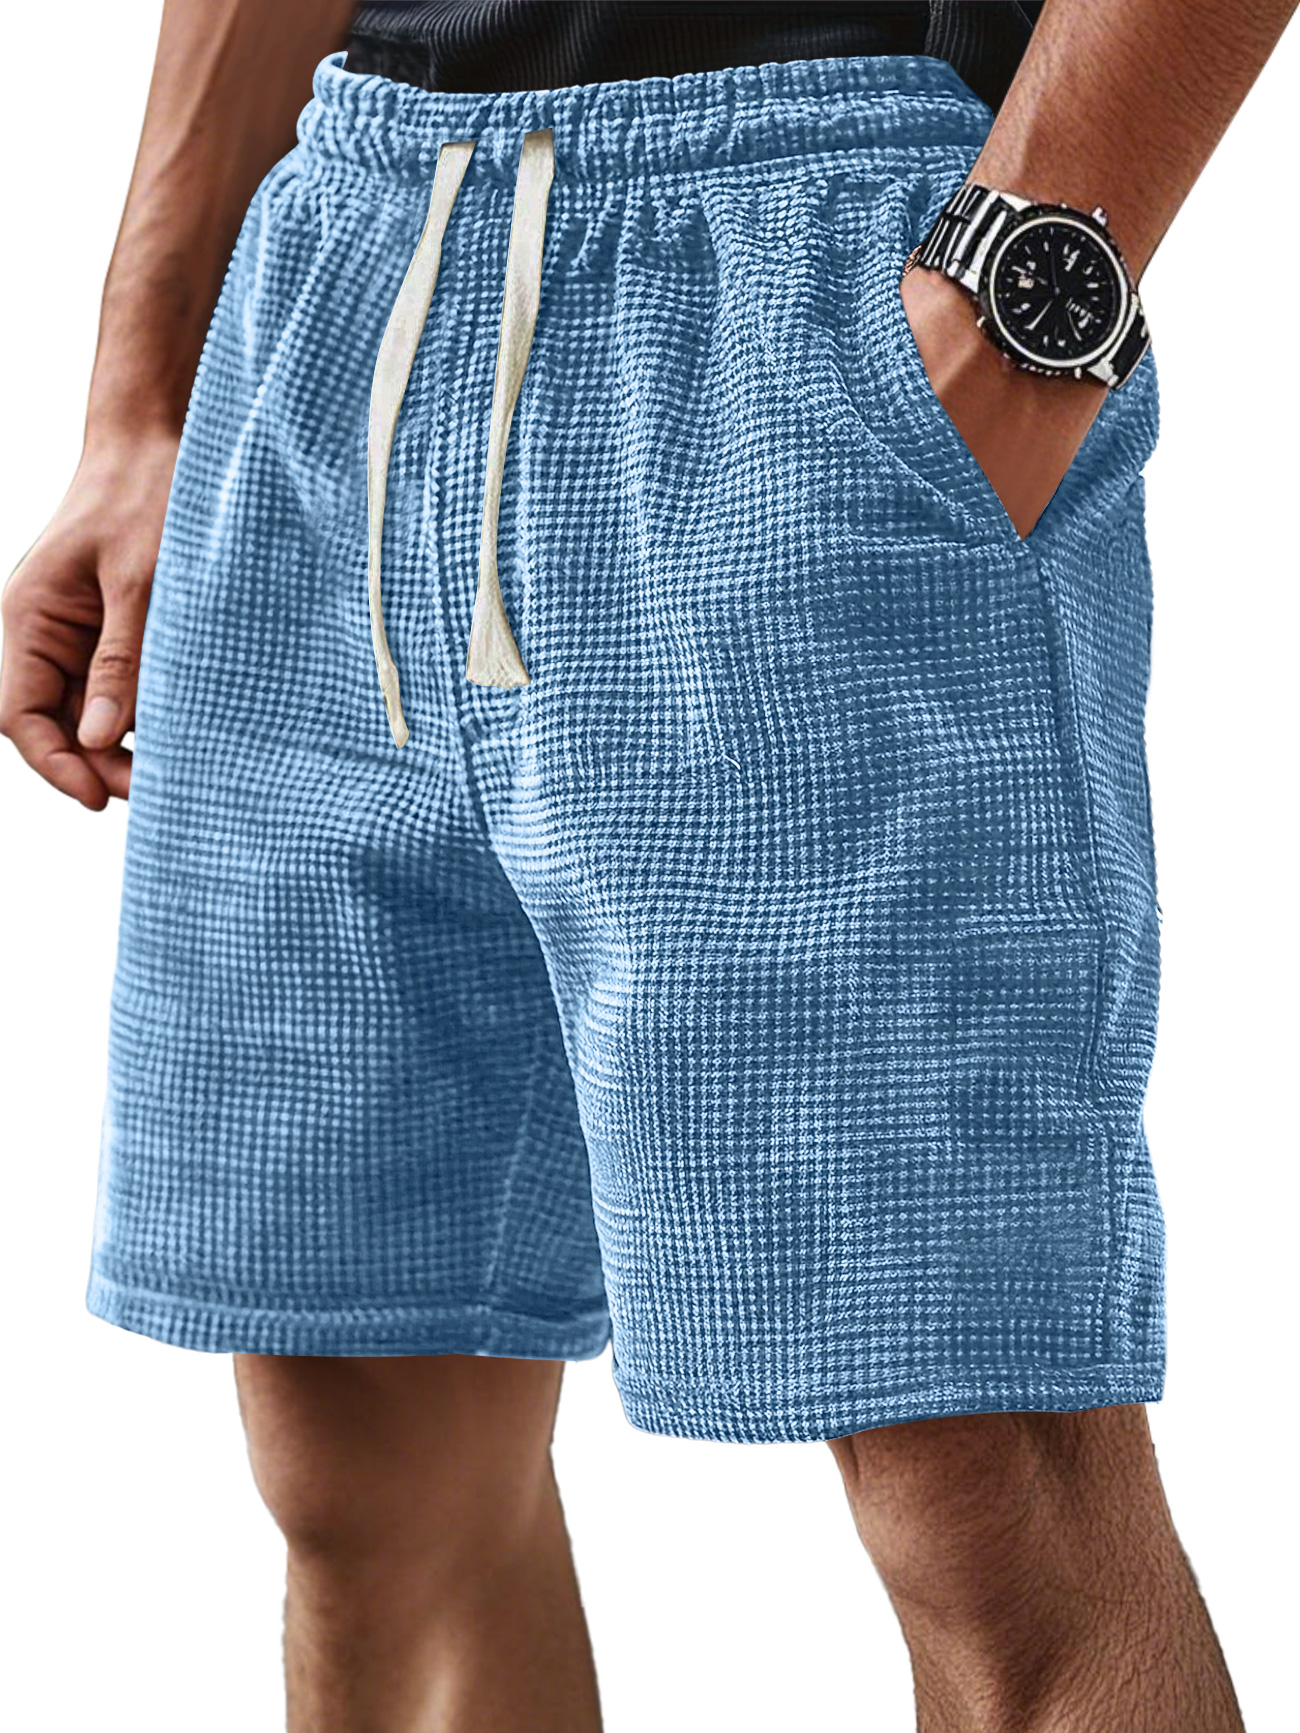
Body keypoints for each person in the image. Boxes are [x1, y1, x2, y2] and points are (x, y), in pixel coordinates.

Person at [0, 0, 1290, 1727]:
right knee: (353, 1438)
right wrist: (142, 390)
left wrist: (1018, 296)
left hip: (808, 259)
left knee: (981, 1474)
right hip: (344, 269)